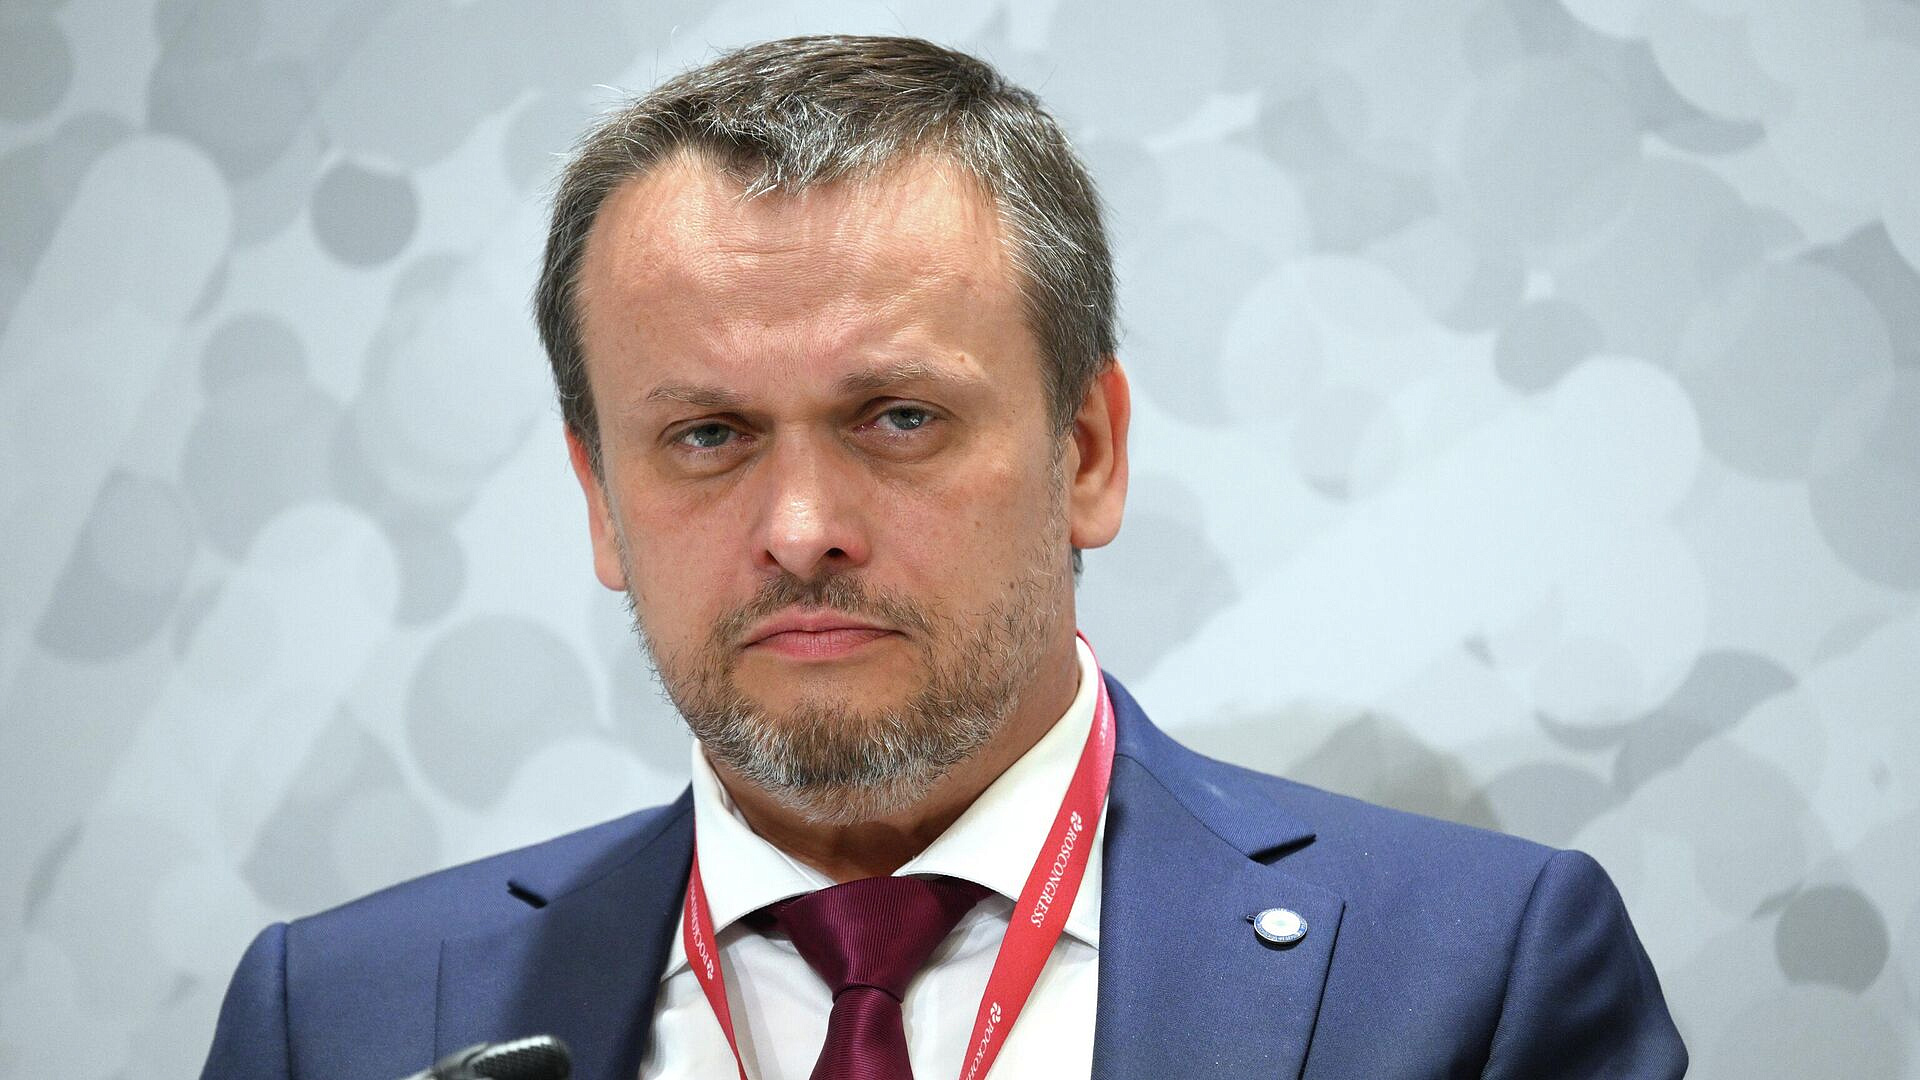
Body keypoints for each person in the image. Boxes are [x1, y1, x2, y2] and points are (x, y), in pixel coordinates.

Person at [200, 35, 1686, 1080]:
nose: (801, 528)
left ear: (1086, 453)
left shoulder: (1475, 979)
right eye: (707, 435)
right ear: (600, 500)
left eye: (898, 417)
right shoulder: (336, 1022)